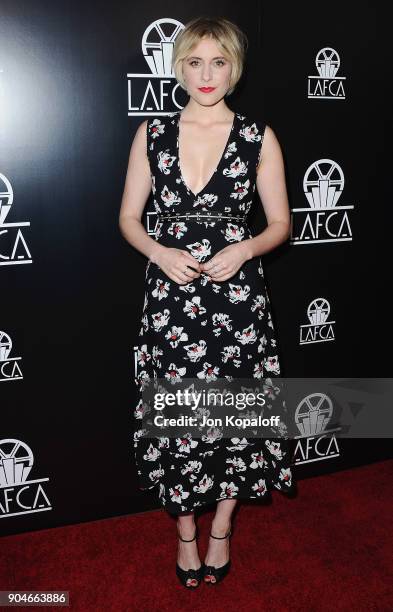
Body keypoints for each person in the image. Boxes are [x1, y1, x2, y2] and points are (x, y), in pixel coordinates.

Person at [119, 16, 296, 588]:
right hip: (171, 302)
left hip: (238, 306)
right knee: (182, 422)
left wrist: (245, 248)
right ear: (179, 66)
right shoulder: (151, 134)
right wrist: (158, 251)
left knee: (234, 421)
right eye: (195, 61)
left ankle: (221, 528)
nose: (206, 74)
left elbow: (280, 225)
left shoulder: (257, 136)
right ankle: (185, 533)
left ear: (235, 68)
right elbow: (127, 218)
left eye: (219, 61)